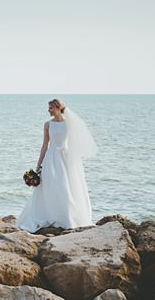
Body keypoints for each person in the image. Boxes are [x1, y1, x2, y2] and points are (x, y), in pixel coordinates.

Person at [17, 98, 97, 231]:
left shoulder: (69, 124)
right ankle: (48, 214)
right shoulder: (48, 124)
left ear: (58, 108)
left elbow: (74, 144)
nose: (48, 110)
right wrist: (38, 165)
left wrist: (73, 162)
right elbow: (44, 145)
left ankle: (66, 216)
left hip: (66, 159)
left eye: (51, 108)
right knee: (49, 185)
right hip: (51, 158)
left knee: (66, 186)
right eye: (48, 108)